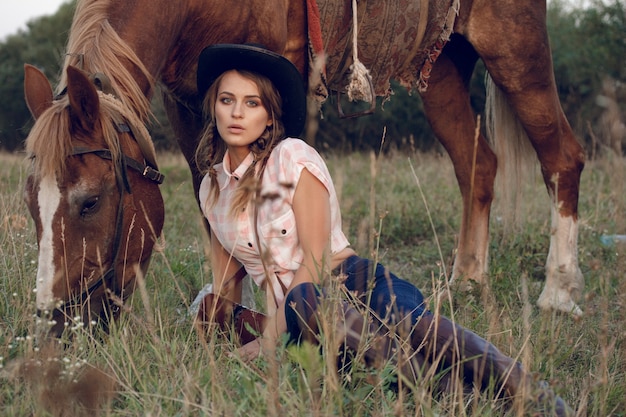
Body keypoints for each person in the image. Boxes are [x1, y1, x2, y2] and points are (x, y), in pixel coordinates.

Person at [192, 43, 573, 415]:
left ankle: (536, 399)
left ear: (269, 116)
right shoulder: (211, 191)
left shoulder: (291, 157)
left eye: (251, 102)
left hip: (353, 282)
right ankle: (459, 398)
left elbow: (314, 259)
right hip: (304, 319)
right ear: (214, 106)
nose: (236, 113)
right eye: (227, 100)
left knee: (415, 330)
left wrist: (269, 341)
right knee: (319, 320)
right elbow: (226, 285)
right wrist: (215, 324)